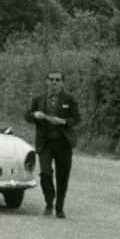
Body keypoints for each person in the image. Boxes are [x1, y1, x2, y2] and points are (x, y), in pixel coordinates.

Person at [26, 70, 81, 218]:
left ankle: (59, 207)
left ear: (62, 82)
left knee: (62, 176)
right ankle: (49, 202)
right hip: (45, 142)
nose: (54, 83)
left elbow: (77, 119)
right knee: (45, 173)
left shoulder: (69, 99)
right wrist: (34, 115)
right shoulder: (38, 99)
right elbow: (27, 116)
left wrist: (62, 121)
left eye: (57, 80)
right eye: (51, 79)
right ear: (47, 81)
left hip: (63, 143)